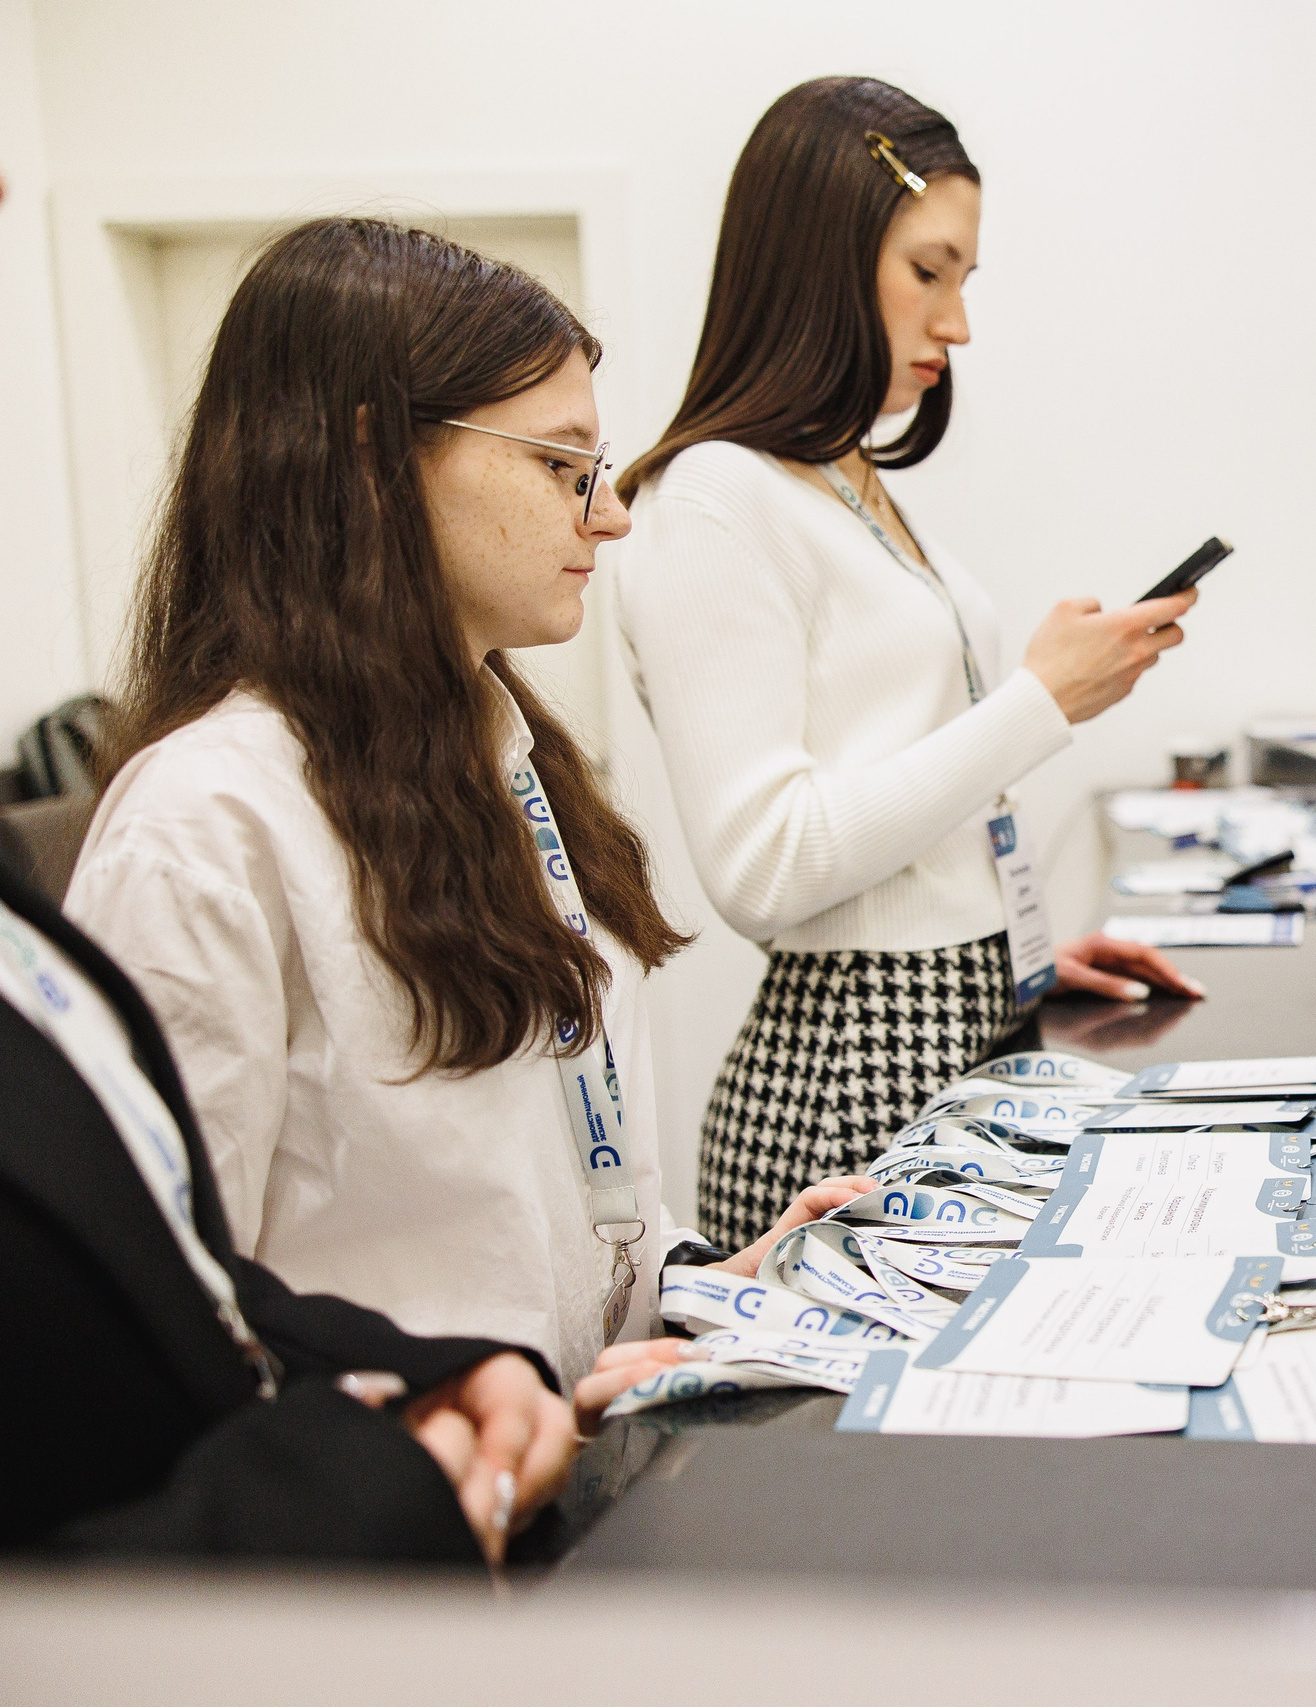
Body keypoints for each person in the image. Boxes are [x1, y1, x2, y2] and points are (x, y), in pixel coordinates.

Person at [63, 219, 865, 1389]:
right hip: (406, 1530)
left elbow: (544, 1191)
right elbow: (159, 1314)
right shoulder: (204, 826)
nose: (610, 514)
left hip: (581, 1456)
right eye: (558, 466)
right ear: (371, 460)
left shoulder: (507, 754)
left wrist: (711, 1289)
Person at [617, 77, 1203, 1249]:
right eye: (927, 273)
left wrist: (1013, 954)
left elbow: (900, 803)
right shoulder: (717, 497)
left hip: (956, 1012)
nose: (957, 324)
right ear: (817, 259)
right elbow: (766, 865)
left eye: (964, 281)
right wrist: (1041, 700)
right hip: (853, 1068)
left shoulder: (843, 481)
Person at [1, 856, 575, 1563]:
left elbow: (173, 1262)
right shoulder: (184, 843)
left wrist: (425, 1374)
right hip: (216, 1638)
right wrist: (329, 1513)